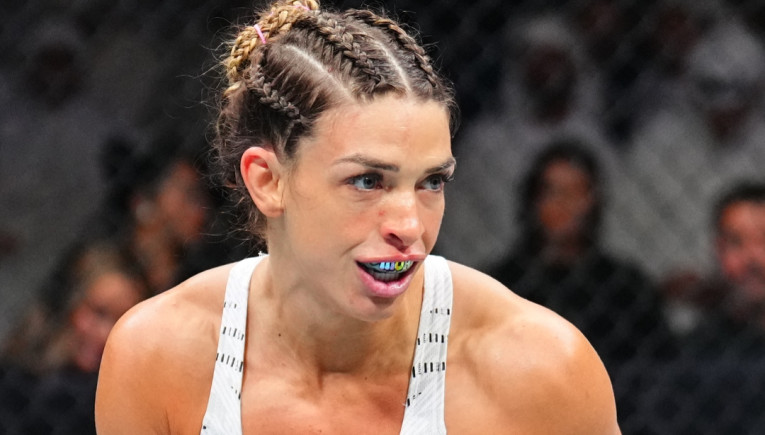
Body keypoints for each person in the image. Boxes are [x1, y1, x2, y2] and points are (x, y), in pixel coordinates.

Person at [95, 1, 620, 434]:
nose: (409, 227)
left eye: (431, 182)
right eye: (368, 181)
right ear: (267, 181)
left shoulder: (539, 369)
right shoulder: (157, 356)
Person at [0, 238, 148, 434]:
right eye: (99, 313)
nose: (105, 335)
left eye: (120, 324)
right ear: (72, 302)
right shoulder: (18, 367)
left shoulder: (104, 413)